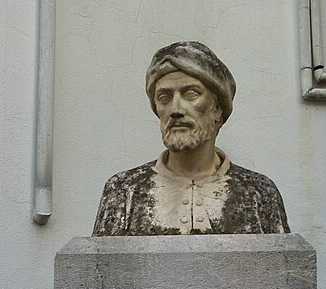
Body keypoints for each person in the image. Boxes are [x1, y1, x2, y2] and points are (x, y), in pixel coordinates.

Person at [93, 41, 290, 236]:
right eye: (164, 98)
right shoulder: (123, 191)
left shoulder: (259, 193)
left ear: (218, 109)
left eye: (191, 94)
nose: (176, 110)